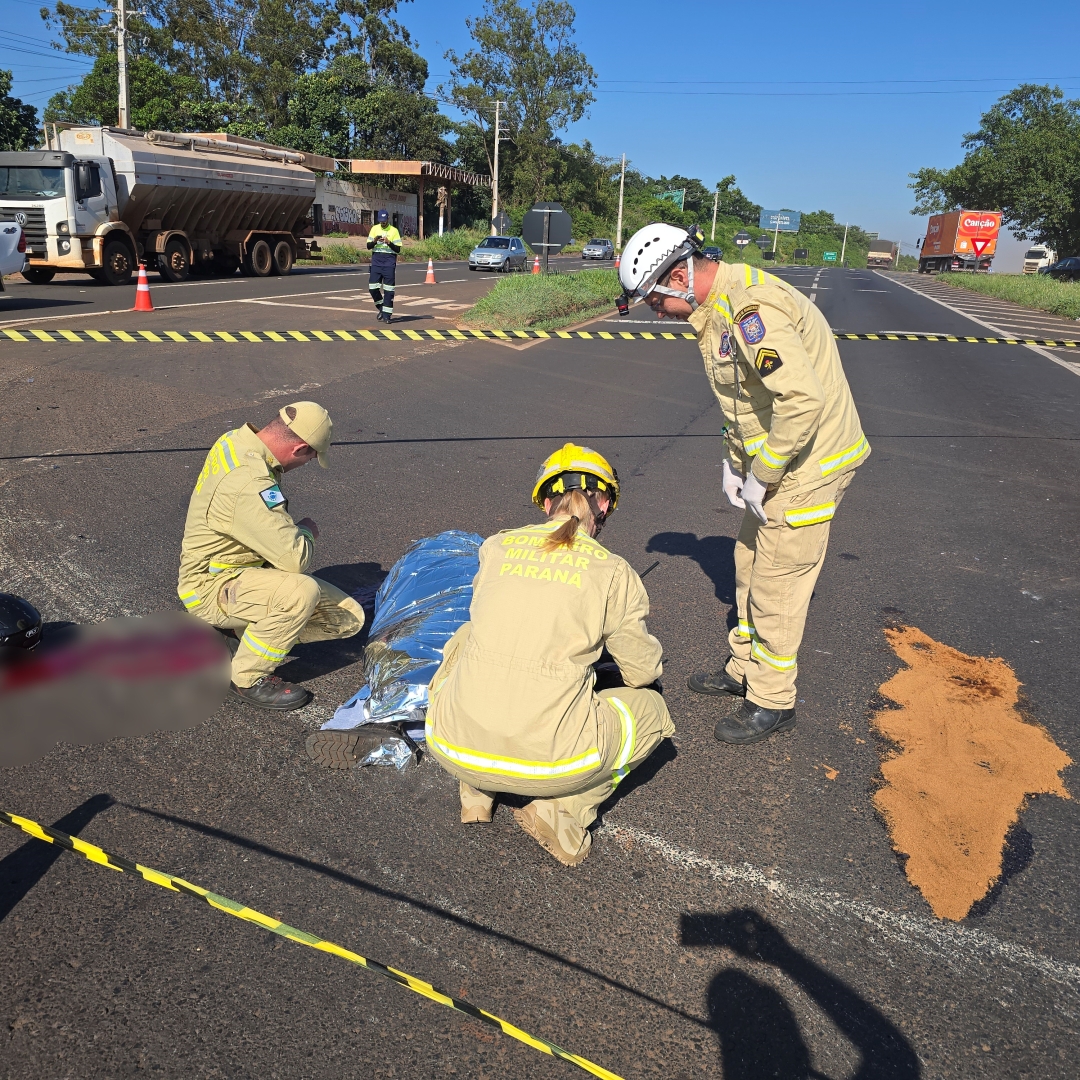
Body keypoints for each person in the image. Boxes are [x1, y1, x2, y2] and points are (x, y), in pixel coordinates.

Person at [618, 224, 870, 745]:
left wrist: (762, 472)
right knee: (749, 561)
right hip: (780, 457)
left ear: (679, 277)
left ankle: (773, 700)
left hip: (811, 464)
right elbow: (747, 402)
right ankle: (743, 670)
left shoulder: (753, 312)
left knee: (778, 582)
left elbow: (801, 401)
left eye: (655, 302)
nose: (656, 314)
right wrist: (734, 461)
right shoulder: (716, 312)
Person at [425, 444, 674, 867]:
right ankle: (563, 815)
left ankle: (477, 792)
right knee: (653, 711)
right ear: (606, 504)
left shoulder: (497, 547)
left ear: (544, 501)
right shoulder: (612, 570)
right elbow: (642, 670)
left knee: (467, 637)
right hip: (554, 763)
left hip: (451, 747)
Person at [177, 402, 365, 711]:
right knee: (301, 592)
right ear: (299, 448)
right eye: (311, 457)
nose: (308, 464)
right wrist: (305, 531)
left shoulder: (236, 441)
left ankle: (235, 628)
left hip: (229, 570)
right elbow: (294, 558)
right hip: (210, 587)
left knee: (349, 618)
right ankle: (246, 677)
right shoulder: (251, 483)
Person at [366, 209, 402, 323]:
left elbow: (398, 249)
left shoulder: (394, 230)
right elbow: (368, 246)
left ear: (388, 219)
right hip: (376, 261)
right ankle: (381, 308)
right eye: (381, 221)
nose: (382, 223)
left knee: (388, 290)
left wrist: (389, 242)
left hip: (389, 262)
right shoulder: (374, 228)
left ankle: (387, 316)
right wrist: (375, 241)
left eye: (384, 221)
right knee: (373, 288)